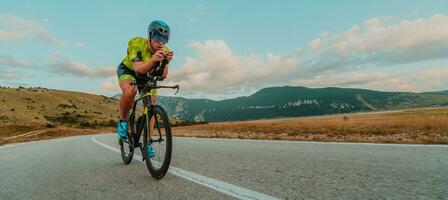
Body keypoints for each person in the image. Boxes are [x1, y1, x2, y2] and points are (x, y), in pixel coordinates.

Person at [116, 20, 173, 158]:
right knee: (130, 92)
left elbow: (164, 75)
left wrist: (165, 62)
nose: (161, 42)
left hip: (147, 77)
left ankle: (147, 142)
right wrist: (154, 60)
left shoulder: (165, 50)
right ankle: (123, 122)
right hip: (129, 71)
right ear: (150, 36)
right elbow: (138, 69)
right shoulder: (136, 43)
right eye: (158, 38)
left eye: (164, 39)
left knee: (151, 105)